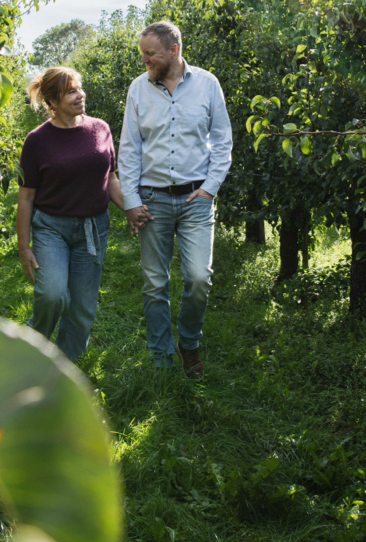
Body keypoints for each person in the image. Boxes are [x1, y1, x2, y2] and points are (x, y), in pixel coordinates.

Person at [118, 21, 232, 376]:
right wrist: (132, 199)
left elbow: (223, 140)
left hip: (196, 197)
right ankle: (160, 356)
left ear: (173, 50)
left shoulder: (207, 84)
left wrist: (210, 187)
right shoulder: (138, 89)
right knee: (155, 283)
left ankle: (189, 341)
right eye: (142, 53)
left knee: (199, 277)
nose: (144, 60)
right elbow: (129, 148)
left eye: (150, 54)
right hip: (152, 199)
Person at [16, 66, 137, 362]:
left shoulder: (100, 129)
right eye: (71, 91)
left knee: (82, 309)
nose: (80, 95)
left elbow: (109, 179)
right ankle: (32, 349)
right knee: (52, 294)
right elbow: (26, 195)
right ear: (53, 103)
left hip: (93, 230)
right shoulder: (37, 140)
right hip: (51, 228)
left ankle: (61, 370)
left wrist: (131, 210)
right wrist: (23, 247)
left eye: (79, 88)